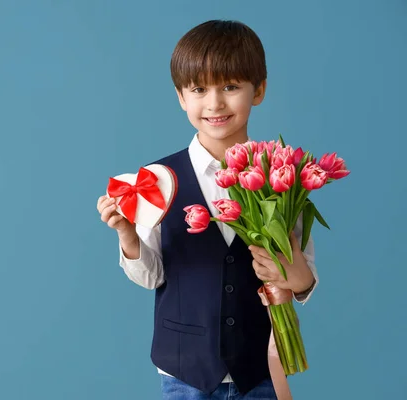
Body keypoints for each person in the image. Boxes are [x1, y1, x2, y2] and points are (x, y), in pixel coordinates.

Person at [96, 20, 319, 399]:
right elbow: (152, 276)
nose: (214, 103)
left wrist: (298, 278)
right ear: (182, 97)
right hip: (185, 370)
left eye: (230, 87)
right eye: (199, 89)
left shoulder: (280, 174)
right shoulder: (159, 179)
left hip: (259, 367)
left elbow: (304, 277)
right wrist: (127, 235)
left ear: (259, 90)